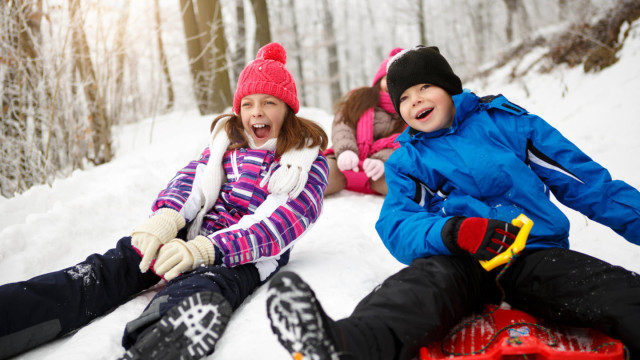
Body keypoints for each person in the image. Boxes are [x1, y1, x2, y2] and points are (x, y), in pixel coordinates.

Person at [264, 45, 640, 360]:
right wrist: (454, 231)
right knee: (416, 291)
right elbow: (397, 222)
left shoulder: (509, 124)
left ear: (449, 88)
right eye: (405, 98)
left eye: (425, 86)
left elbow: (589, 184)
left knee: (604, 287)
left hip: (533, 251)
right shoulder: (407, 159)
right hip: (459, 259)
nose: (416, 101)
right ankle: (346, 344)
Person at [0, 42, 329, 360]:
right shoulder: (226, 147)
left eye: (268, 102)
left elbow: (276, 226)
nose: (256, 112)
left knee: (202, 287)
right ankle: (15, 313)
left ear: (288, 108)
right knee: (113, 266)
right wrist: (167, 218)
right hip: (192, 232)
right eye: (247, 104)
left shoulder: (304, 163)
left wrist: (206, 250)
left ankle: (162, 340)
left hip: (243, 257)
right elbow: (191, 183)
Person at [324, 48, 406, 196]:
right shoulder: (360, 98)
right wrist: (345, 150)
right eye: (388, 78)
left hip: (380, 170)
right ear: (379, 80)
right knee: (318, 177)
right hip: (342, 162)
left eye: (399, 80)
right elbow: (343, 123)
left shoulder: (408, 111)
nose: (392, 83)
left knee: (405, 189)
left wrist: (383, 160)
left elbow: (403, 143)